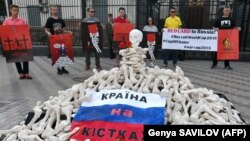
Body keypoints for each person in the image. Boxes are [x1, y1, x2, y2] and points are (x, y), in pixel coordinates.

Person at [2, 4, 32, 79]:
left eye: (17, 10)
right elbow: (3, 31)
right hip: (12, 42)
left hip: (22, 42)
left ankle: (26, 73)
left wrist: (28, 28)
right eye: (14, 10)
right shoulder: (6, 21)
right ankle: (21, 73)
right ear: (10, 11)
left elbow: (26, 30)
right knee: (16, 57)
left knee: (25, 57)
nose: (16, 12)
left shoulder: (22, 20)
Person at [45, 5, 72, 75]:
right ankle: (58, 69)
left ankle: (63, 68)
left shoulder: (61, 20)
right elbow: (46, 29)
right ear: (50, 11)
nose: (55, 11)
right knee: (56, 54)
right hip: (54, 40)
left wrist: (68, 32)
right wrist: (48, 33)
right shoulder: (49, 20)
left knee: (63, 53)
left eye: (56, 10)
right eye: (53, 10)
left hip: (62, 39)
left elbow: (63, 30)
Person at [211, 5, 241, 70]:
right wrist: (215, 29)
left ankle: (227, 65)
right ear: (223, 11)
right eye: (225, 10)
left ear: (230, 11)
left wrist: (238, 28)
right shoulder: (218, 19)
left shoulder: (232, 20)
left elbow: (234, 28)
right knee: (217, 51)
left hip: (229, 38)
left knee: (227, 51)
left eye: (228, 10)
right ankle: (214, 64)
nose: (227, 11)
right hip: (220, 38)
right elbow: (213, 27)